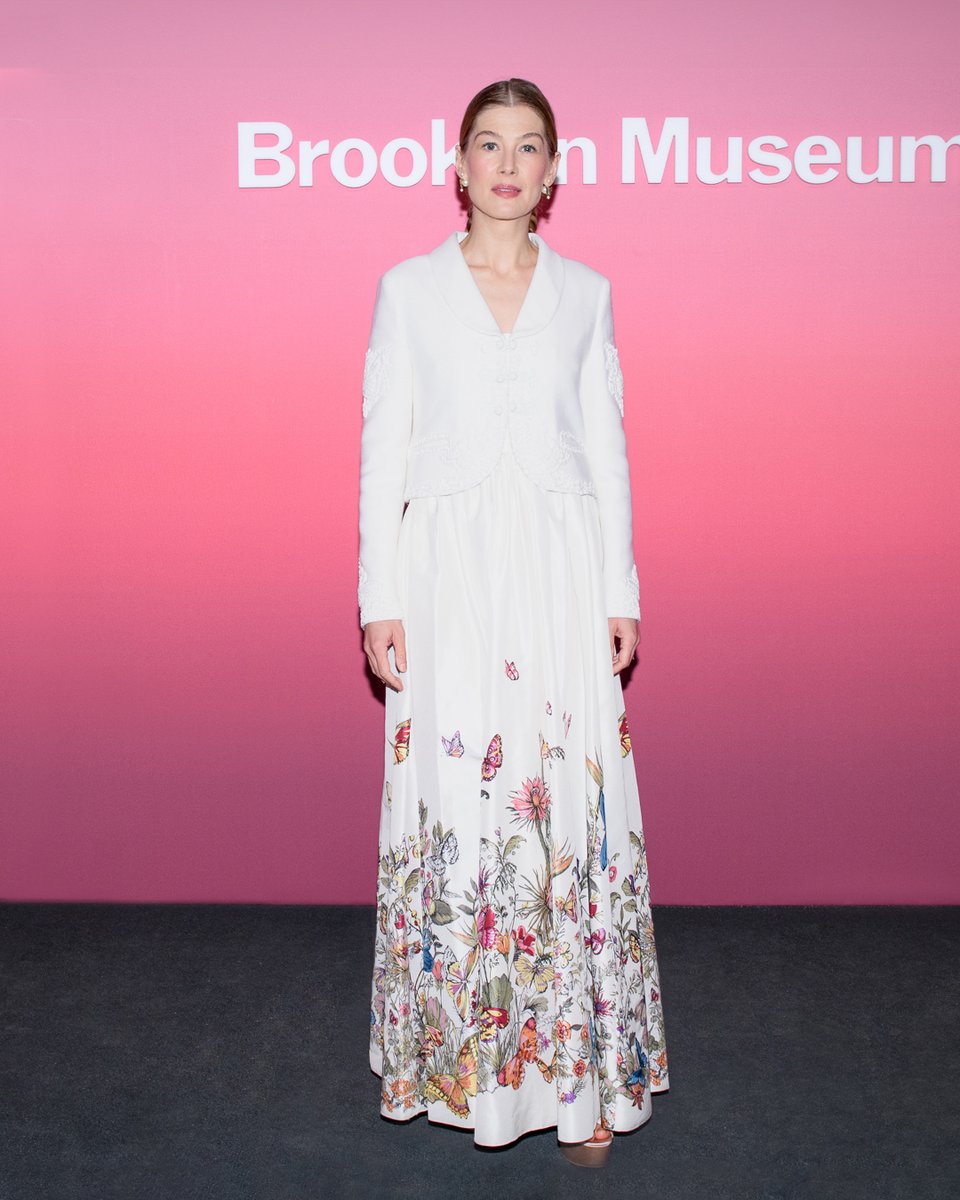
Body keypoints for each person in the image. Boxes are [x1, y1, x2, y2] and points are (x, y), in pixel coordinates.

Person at [358, 78, 669, 1165]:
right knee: (459, 795)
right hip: (444, 575)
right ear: (457, 163)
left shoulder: (587, 293)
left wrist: (620, 588)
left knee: (563, 810)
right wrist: (376, 596)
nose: (505, 162)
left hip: (558, 570)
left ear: (552, 173)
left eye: (527, 146)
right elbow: (381, 447)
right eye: (487, 143)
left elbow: (610, 448)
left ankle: (577, 1087)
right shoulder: (407, 290)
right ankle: (464, 1067)